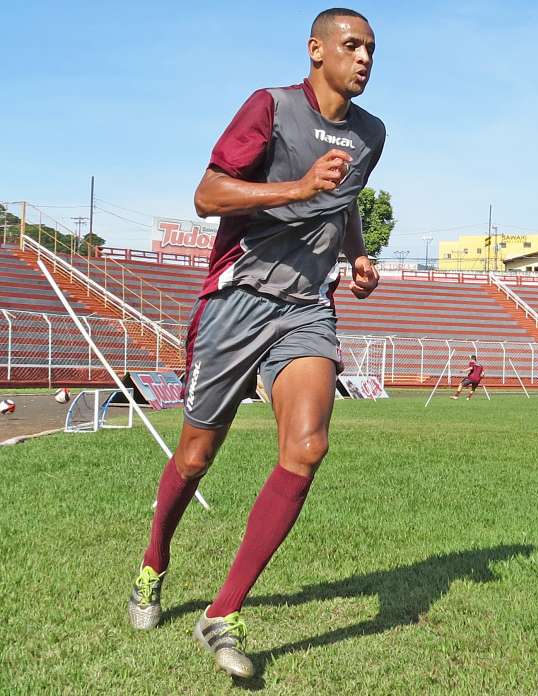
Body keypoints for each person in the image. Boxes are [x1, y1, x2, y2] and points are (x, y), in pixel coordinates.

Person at [126, 8, 386, 679]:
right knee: (194, 456)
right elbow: (207, 194)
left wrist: (356, 255)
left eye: (372, 50)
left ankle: (224, 612)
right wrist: (298, 185)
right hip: (235, 302)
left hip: (305, 309)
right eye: (352, 46)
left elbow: (347, 198)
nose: (364, 58)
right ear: (316, 50)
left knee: (307, 448)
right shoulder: (269, 107)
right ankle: (155, 562)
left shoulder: (372, 134)